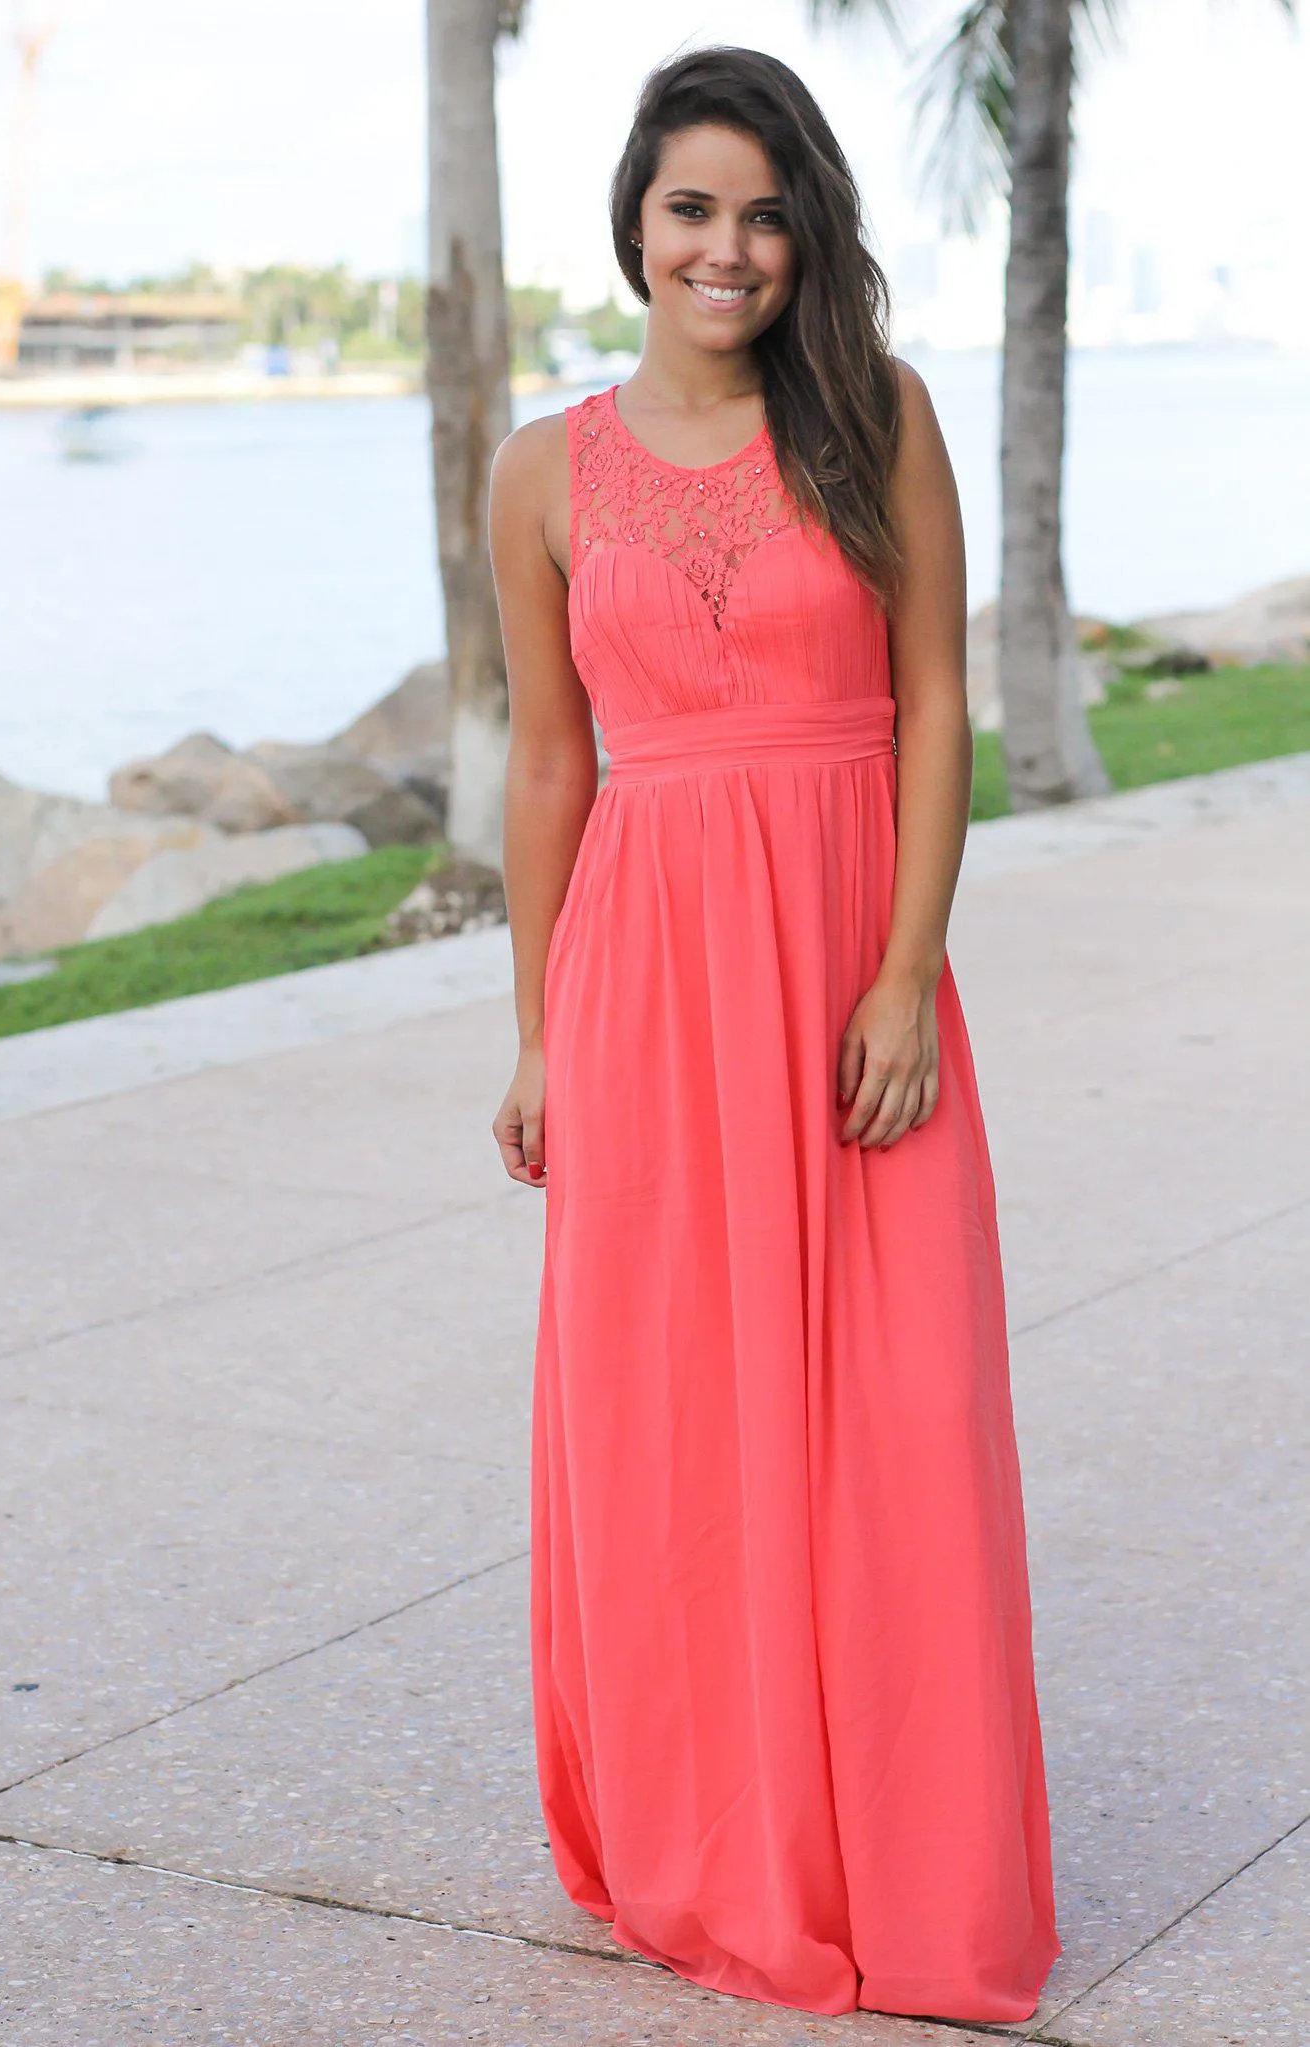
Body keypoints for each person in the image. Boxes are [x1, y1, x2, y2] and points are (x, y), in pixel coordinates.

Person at [487, 44, 1061, 2026]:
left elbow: (928, 709)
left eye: (760, 208)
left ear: (801, 232)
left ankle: (895, 1861)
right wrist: (541, 1029)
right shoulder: (542, 472)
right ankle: (699, 1836)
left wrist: (903, 971)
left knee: (892, 1416)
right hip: (643, 986)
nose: (724, 246)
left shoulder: (872, 419)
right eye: (689, 208)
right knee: (669, 1427)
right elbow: (549, 769)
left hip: (837, 965)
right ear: (633, 228)